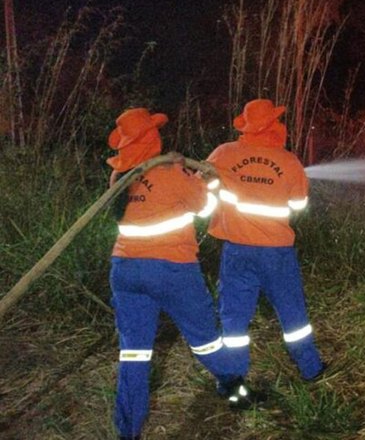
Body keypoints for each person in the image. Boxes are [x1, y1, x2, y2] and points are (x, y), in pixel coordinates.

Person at [106, 107, 260, 440]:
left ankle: (127, 430)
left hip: (125, 271)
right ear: (152, 136)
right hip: (172, 270)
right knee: (204, 340)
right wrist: (203, 181)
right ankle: (233, 384)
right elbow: (204, 209)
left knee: (134, 352)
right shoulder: (172, 173)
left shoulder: (119, 178)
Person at [205, 99, 325, 383]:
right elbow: (297, 207)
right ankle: (311, 369)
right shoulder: (289, 161)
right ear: (274, 125)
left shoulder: (223, 154)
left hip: (236, 250)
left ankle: (233, 381)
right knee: (292, 312)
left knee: (234, 318)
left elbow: (202, 187)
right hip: (277, 253)